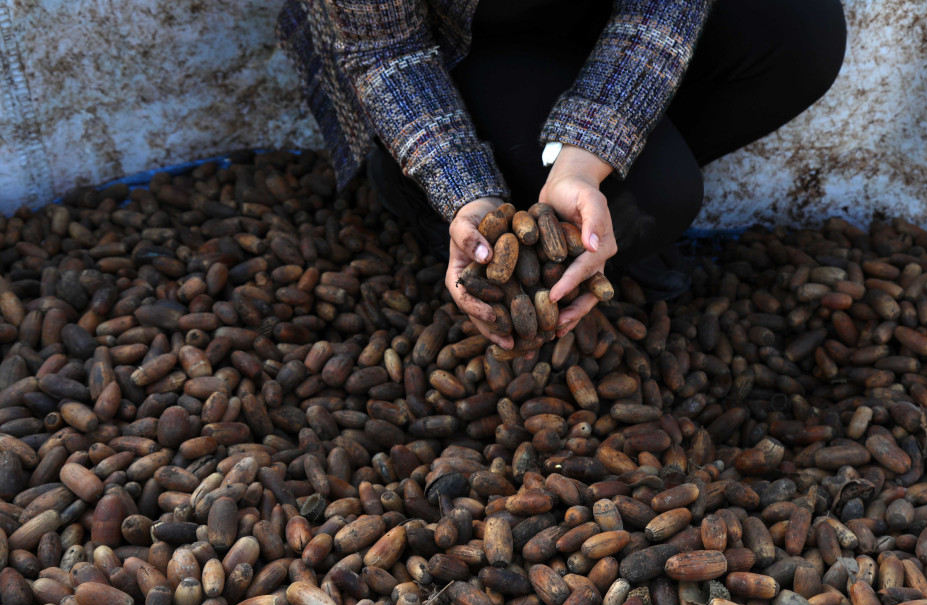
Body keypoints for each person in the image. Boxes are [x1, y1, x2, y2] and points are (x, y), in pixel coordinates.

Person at [277, 0, 847, 349]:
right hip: (449, 46)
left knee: (799, 34)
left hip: (586, 13)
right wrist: (466, 190)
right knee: (657, 195)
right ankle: (419, 189)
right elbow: (386, 49)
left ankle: (595, 177)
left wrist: (585, 160)